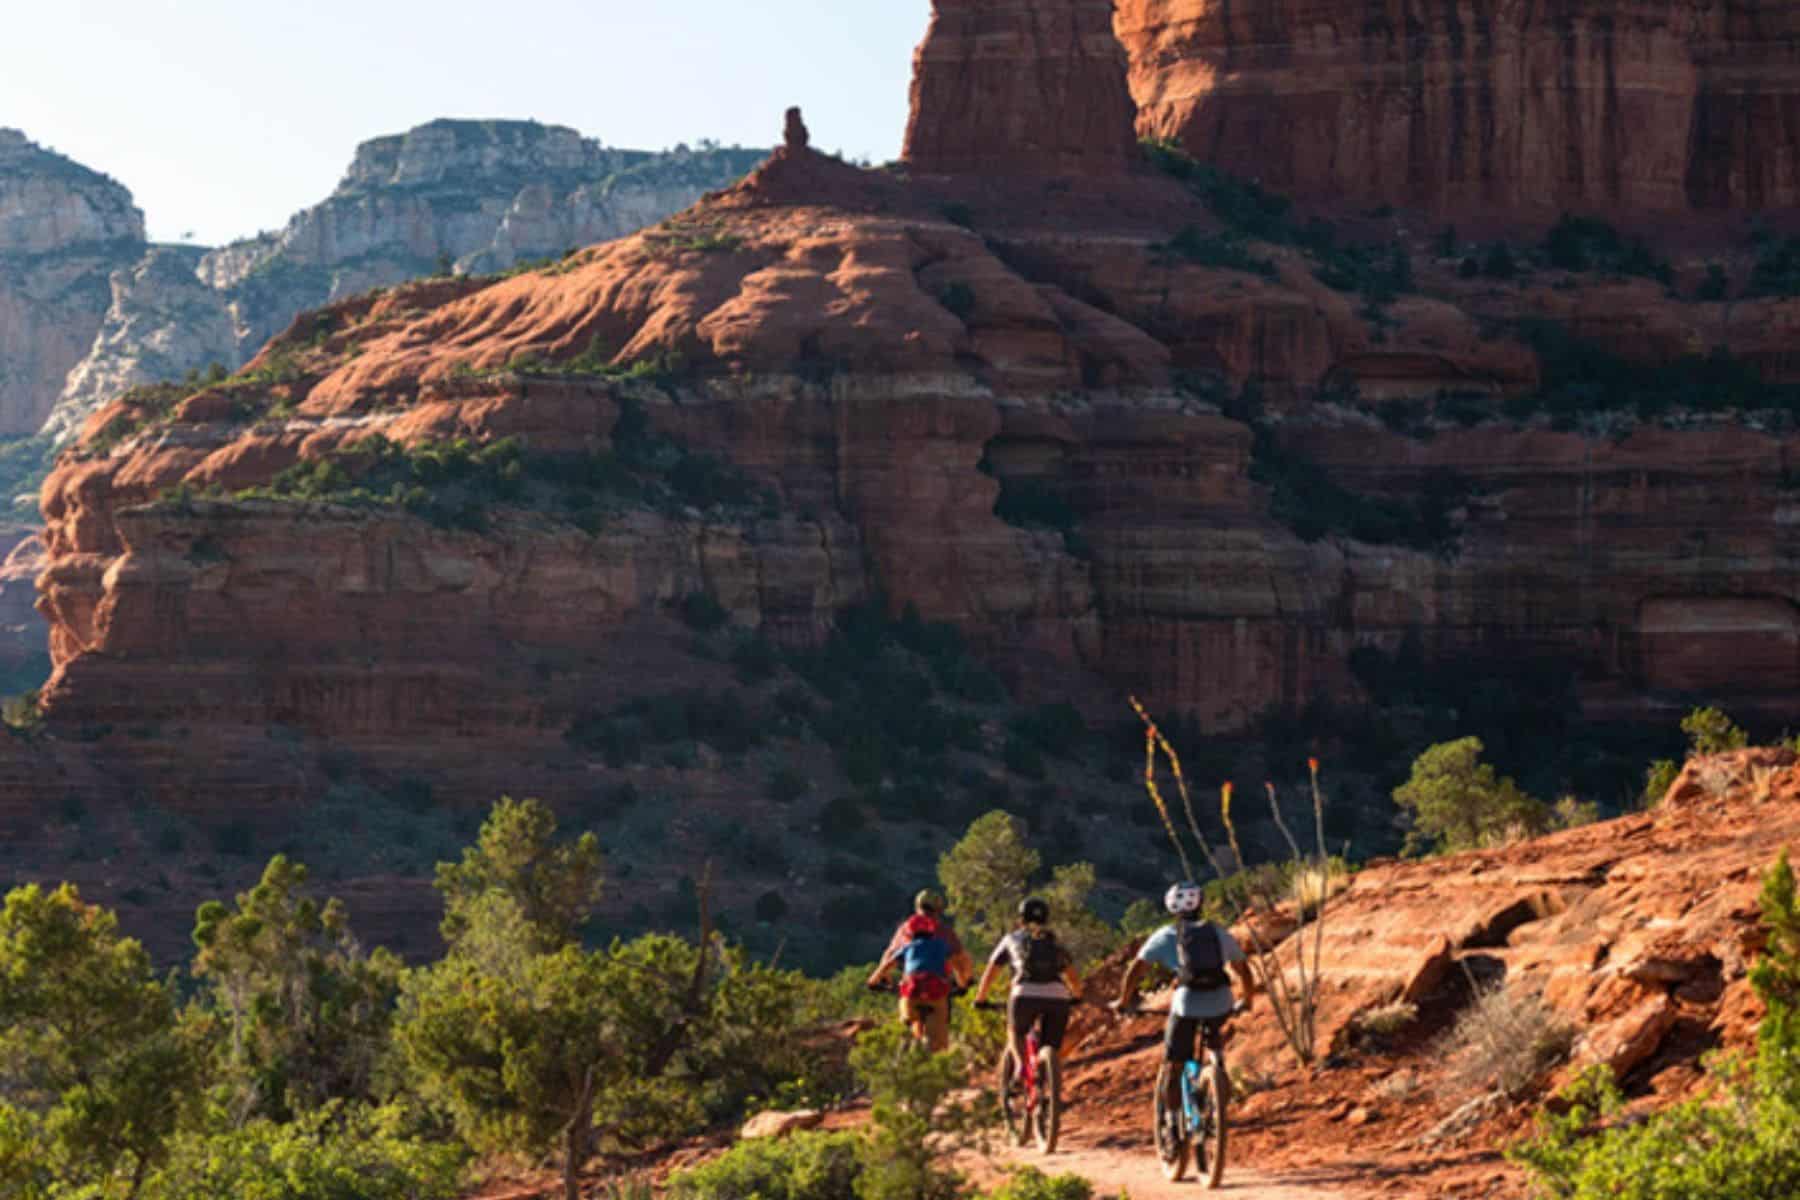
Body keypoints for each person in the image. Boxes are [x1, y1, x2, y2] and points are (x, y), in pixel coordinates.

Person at [1111, 881, 1257, 1129]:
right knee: (1213, 1034)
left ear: (1171, 908)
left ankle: (1171, 1122)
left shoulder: (1166, 935)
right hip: (1221, 999)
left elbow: (1136, 969)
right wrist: (1247, 999)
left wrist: (1124, 1000)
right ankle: (1217, 1069)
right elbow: (1242, 968)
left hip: (1186, 1003)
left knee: (1174, 1064)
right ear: (1201, 904)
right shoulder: (1217, 932)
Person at [973, 896, 1083, 1076]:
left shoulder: (1011, 939)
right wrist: (1077, 996)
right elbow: (1072, 977)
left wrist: (981, 998)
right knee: (1051, 1045)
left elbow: (991, 972)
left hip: (1023, 994)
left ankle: (1019, 1065)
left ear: (1020, 919)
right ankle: (1046, 1069)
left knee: (1014, 1031)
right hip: (1058, 997)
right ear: (1046, 919)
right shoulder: (1054, 942)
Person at [867, 889, 974, 1051]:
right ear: (939, 910)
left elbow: (889, 955)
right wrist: (966, 981)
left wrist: (883, 979)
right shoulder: (944, 933)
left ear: (917, 906)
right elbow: (961, 959)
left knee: (906, 1021)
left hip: (910, 985)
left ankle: (905, 1048)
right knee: (940, 1037)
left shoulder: (906, 929)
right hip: (939, 986)